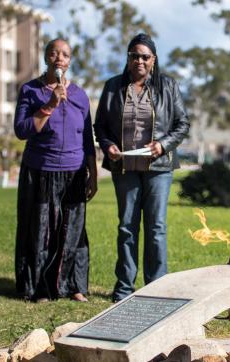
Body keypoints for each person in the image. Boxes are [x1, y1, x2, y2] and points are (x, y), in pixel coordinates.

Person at [94, 33, 190, 302]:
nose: (139, 60)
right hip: (124, 167)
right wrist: (107, 145)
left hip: (159, 168)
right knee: (127, 226)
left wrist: (163, 144)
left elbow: (182, 124)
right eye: (134, 55)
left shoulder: (167, 86)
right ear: (128, 58)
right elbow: (100, 124)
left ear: (153, 60)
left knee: (156, 227)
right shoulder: (113, 86)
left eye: (145, 56)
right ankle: (124, 287)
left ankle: (156, 288)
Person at [14, 38, 97, 303]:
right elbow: (21, 130)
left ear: (69, 61)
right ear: (46, 58)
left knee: (72, 231)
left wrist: (92, 174)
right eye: (54, 53)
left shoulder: (81, 95)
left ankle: (73, 286)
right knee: (41, 231)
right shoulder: (30, 90)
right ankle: (39, 288)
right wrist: (49, 104)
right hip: (41, 170)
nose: (59, 58)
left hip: (73, 173)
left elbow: (87, 140)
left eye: (65, 55)